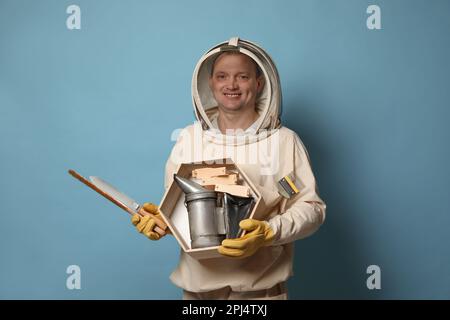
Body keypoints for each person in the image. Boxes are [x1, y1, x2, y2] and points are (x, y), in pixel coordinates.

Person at [131, 37, 326, 300]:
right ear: (210, 83)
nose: (231, 85)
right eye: (222, 76)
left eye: (242, 77)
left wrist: (269, 232)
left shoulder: (284, 142)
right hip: (198, 291)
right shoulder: (189, 138)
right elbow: (181, 207)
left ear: (258, 84)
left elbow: (310, 208)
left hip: (259, 292)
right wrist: (161, 221)